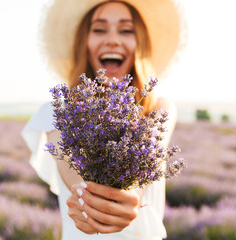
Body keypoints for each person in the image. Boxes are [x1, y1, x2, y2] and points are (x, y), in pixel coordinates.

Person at [22, 0, 185, 239]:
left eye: (126, 30)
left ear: (139, 42)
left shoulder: (158, 109)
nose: (112, 39)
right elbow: (73, 172)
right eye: (99, 29)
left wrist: (128, 197)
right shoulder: (59, 111)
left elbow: (138, 181)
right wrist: (87, 200)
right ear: (84, 42)